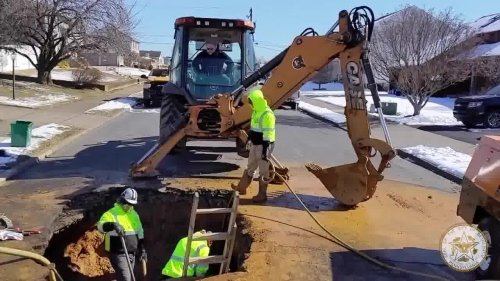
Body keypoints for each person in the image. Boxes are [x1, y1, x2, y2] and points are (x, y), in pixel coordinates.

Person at [231, 89, 276, 203]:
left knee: (263, 170)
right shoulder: (256, 112)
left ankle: (262, 195)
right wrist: (248, 140)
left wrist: (265, 150)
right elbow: (253, 129)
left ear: (257, 101)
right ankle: (241, 188)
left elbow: (268, 133)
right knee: (250, 166)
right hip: (255, 144)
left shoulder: (267, 114)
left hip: (263, 145)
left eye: (251, 102)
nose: (250, 104)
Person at [97, 188, 146, 281]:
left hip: (132, 253)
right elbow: (100, 226)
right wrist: (113, 225)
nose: (130, 206)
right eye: (128, 204)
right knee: (125, 278)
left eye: (132, 204)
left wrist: (142, 249)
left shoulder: (134, 214)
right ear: (122, 200)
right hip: (119, 253)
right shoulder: (111, 213)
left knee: (129, 278)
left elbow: (140, 232)